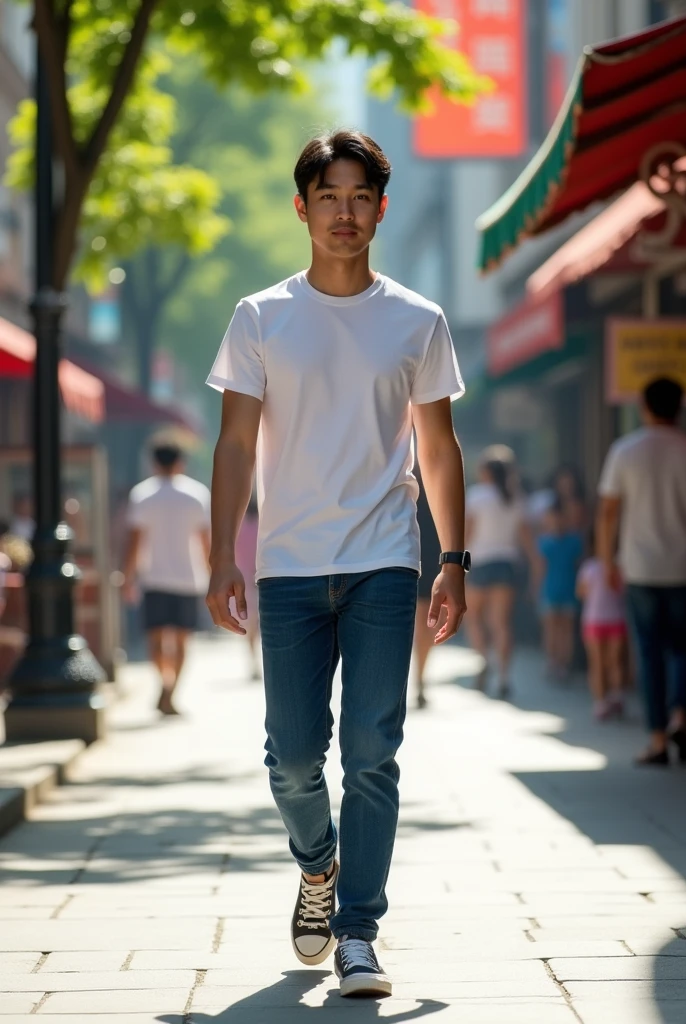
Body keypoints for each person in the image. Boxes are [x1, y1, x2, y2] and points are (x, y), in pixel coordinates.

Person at [205, 129, 467, 999]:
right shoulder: (260, 316)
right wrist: (221, 555)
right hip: (286, 567)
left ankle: (358, 930)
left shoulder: (418, 320)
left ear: (380, 208)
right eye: (329, 198)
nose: (345, 213)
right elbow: (236, 441)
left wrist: (453, 560)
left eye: (360, 197)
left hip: (384, 564)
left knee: (372, 754)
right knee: (290, 757)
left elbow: (438, 445)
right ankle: (316, 867)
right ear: (303, 208)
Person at [598, 377, 686, 766]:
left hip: (639, 566)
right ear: (680, 406)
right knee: (684, 649)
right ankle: (681, 714)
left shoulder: (625, 450)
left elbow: (608, 512)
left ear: (645, 407)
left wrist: (607, 561)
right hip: (684, 567)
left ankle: (656, 739)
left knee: (649, 654)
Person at [123, 444, 211, 716]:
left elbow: (135, 541)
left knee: (156, 638)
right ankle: (170, 692)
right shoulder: (196, 494)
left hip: (154, 577)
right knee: (183, 640)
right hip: (189, 576)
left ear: (154, 463)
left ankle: (164, 683)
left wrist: (128, 576)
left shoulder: (142, 494)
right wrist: (212, 572)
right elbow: (205, 540)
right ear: (180, 463)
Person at [465, 446, 534, 698]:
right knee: (501, 623)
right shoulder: (516, 497)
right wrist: (536, 566)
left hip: (479, 562)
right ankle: (504, 676)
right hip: (507, 564)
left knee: (473, 618)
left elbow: (467, 532)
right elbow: (526, 537)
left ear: (486, 471)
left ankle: (484, 658)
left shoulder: (477, 495)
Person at [576, 529, 628, 720]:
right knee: (598, 663)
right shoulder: (589, 568)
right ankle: (600, 701)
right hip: (595, 621)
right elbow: (581, 592)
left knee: (614, 661)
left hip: (613, 620)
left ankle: (616, 696)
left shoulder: (619, 568)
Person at [537, 500, 583, 679]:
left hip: (569, 590)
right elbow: (540, 568)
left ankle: (564, 664)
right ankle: (552, 661)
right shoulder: (544, 542)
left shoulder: (574, 542)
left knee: (567, 630)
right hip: (549, 590)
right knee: (550, 629)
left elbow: (580, 565)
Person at [412, 466, 442, 709]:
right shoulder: (441, 485)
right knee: (426, 624)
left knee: (425, 623)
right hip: (418, 560)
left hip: (416, 559)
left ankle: (419, 679)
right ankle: (419, 679)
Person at [234, 491, 261, 680]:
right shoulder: (264, 525)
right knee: (263, 624)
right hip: (263, 576)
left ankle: (253, 661)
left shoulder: (239, 527)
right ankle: (259, 661)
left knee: (249, 625)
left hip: (243, 581)